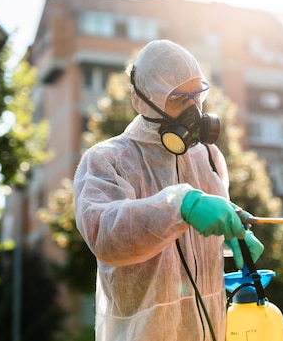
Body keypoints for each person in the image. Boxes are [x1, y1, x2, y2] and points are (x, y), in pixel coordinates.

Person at [73, 39, 264, 341]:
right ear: (145, 100)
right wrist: (180, 205)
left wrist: (232, 232)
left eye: (196, 96)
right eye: (178, 98)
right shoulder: (108, 159)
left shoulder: (209, 158)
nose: (192, 109)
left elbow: (194, 242)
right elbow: (106, 235)